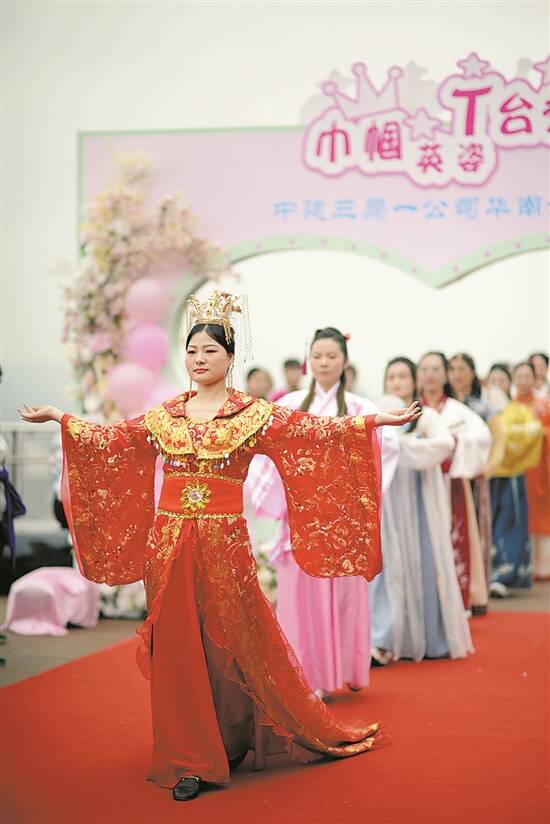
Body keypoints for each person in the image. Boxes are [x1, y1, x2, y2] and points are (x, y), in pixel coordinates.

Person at [19, 291, 421, 802]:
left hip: (224, 545)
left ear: (230, 357)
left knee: (233, 643)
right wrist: (63, 419)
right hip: (168, 546)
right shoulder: (166, 415)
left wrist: (372, 422)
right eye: (192, 351)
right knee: (177, 649)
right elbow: (116, 440)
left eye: (210, 351)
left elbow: (314, 434)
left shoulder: (252, 414)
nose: (199, 359)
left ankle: (230, 735)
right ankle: (189, 756)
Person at [246, 328, 399, 697]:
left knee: (343, 597)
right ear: (308, 361)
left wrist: (345, 490)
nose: (324, 363)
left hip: (342, 518)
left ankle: (343, 669)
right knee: (298, 600)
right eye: (318, 356)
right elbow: (268, 450)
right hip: (299, 516)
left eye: (332, 356)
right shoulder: (290, 404)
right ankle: (303, 677)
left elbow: (386, 447)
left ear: (344, 361)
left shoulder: (362, 408)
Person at [369, 357, 473, 664]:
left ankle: (427, 636)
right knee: (386, 567)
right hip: (388, 502)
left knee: (424, 563)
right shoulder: (375, 414)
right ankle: (382, 639)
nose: (397, 382)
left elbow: (443, 445)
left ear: (413, 382)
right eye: (392, 377)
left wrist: (400, 447)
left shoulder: (426, 417)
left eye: (403, 376)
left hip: (419, 501)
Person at [417, 352, 491, 615]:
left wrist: (455, 444)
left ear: (446, 374)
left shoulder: (459, 411)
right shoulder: (412, 410)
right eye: (425, 369)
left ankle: (461, 596)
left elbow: (482, 438)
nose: (430, 374)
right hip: (419, 483)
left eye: (436, 369)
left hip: (452, 483)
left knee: (457, 537)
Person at [484, 364, 542, 596]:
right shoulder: (482, 410)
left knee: (510, 522)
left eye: (502, 380)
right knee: (486, 523)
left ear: (509, 384)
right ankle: (487, 574)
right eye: (493, 380)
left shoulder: (518, 410)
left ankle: (504, 576)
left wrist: (505, 435)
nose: (497, 385)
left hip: (511, 474)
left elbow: (534, 430)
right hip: (487, 475)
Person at [448, 353, 495, 597]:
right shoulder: (444, 405)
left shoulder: (482, 406)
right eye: (452, 369)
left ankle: (477, 586)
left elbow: (493, 440)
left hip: (474, 477)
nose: (456, 374)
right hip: (449, 477)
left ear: (472, 373)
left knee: (476, 527)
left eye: (462, 369)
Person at [512, 362, 550, 580]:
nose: (523, 381)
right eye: (519, 376)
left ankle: (543, 565)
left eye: (527, 376)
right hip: (516, 467)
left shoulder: (544, 405)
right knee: (519, 514)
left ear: (535, 378)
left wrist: (541, 433)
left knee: (542, 514)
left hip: (540, 467)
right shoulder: (508, 407)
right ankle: (523, 565)